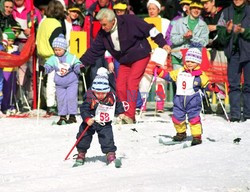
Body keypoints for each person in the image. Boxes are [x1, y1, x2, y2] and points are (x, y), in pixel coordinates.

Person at [80, 8, 171, 123]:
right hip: (125, 60)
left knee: (132, 82)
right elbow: (94, 50)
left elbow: (150, 29)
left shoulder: (129, 21)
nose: (102, 28)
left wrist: (163, 43)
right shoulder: (103, 34)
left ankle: (130, 115)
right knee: (120, 85)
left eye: (104, 24)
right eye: (101, 25)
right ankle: (123, 112)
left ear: (112, 20)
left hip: (140, 55)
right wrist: (81, 63)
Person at [156, 47, 224, 145]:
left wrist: (212, 87)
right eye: (187, 61)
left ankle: (196, 136)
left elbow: (206, 84)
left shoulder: (200, 75)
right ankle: (181, 133)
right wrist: (159, 72)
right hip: (179, 99)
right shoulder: (180, 71)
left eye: (192, 61)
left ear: (197, 62)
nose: (189, 63)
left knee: (194, 118)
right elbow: (169, 76)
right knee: (177, 118)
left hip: (193, 100)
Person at [73, 71, 125, 167]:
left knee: (107, 138)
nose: (100, 95)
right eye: (98, 93)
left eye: (103, 93)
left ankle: (110, 154)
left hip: (104, 122)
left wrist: (120, 112)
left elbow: (117, 103)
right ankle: (81, 153)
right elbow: (83, 109)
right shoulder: (90, 98)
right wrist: (87, 118)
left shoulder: (111, 97)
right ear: (93, 91)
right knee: (84, 137)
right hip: (90, 122)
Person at [217, 0, 250, 122]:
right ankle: (235, 114)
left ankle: (248, 114)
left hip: (248, 52)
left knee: (248, 85)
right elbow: (220, 35)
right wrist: (228, 31)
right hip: (233, 53)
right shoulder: (226, 13)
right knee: (234, 85)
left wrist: (243, 32)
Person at [139, 0, 170, 113]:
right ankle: (143, 104)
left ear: (158, 9)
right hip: (147, 53)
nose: (151, 11)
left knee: (160, 79)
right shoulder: (143, 21)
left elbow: (168, 37)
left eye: (154, 8)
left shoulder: (165, 22)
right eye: (150, 9)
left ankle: (160, 104)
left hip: (160, 53)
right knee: (144, 79)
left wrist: (166, 49)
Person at [43, 34, 81, 125]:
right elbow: (48, 66)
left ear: (64, 49)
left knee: (71, 98)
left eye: (59, 50)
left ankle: (72, 116)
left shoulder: (71, 57)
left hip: (72, 82)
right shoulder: (53, 58)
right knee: (61, 99)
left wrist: (79, 68)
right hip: (60, 83)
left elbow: (77, 64)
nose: (57, 52)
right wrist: (44, 69)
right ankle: (62, 116)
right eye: (55, 50)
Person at [36, 0, 65, 116]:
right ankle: (51, 105)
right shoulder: (56, 24)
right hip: (52, 56)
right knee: (53, 82)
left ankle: (48, 103)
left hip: (42, 55)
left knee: (45, 81)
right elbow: (57, 42)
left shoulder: (43, 22)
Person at [170, 0, 209, 70]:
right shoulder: (179, 22)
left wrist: (192, 37)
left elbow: (204, 43)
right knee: (178, 80)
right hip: (178, 58)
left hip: (194, 60)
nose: (196, 10)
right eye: (194, 8)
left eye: (199, 9)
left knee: (192, 80)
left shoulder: (203, 25)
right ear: (190, 9)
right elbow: (173, 40)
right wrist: (183, 37)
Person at [1, 28, 19, 115]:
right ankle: (4, 106)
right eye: (9, 41)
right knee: (6, 89)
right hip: (5, 70)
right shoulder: (4, 48)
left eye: (12, 41)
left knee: (12, 89)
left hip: (13, 70)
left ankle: (11, 105)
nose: (11, 43)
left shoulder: (13, 48)